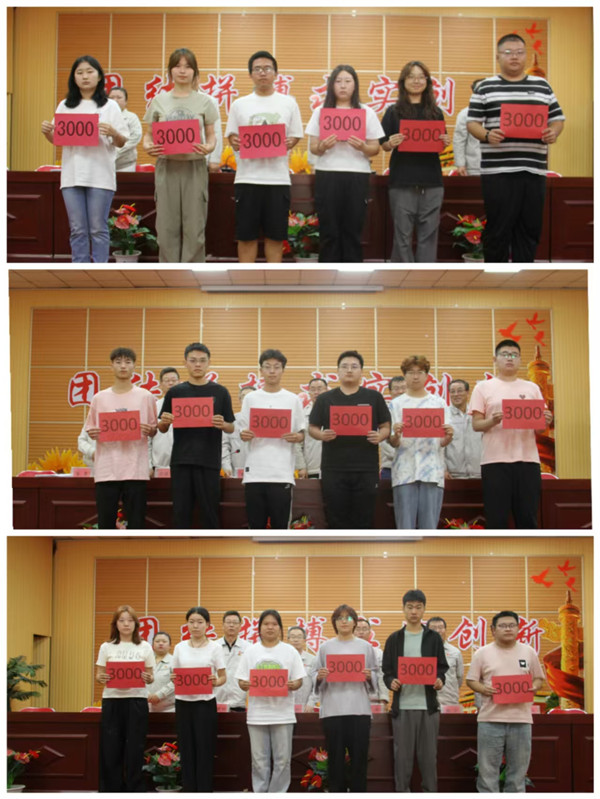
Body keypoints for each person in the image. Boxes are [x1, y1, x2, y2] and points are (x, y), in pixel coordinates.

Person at [467, 34, 565, 262]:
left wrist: (554, 132)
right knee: (498, 229)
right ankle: (496, 275)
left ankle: (524, 272)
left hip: (533, 170)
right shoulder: (485, 87)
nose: (514, 57)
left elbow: (558, 119)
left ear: (525, 56)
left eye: (519, 52)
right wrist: (487, 134)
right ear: (498, 56)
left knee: (530, 229)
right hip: (497, 172)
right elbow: (472, 123)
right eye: (508, 52)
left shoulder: (542, 86)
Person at [41, 56, 128, 263]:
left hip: (101, 176)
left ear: (99, 76)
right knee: (77, 229)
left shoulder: (110, 106)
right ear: (74, 78)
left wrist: (114, 132)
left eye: (90, 71)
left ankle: (99, 270)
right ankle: (79, 269)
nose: (85, 76)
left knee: (98, 229)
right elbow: (57, 140)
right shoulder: (65, 105)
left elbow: (122, 141)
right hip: (72, 176)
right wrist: (47, 133)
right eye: (79, 73)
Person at [225, 51, 303, 263]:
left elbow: (295, 135)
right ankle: (246, 279)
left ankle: (273, 278)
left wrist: (290, 142)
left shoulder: (288, 103)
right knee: (246, 237)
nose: (262, 73)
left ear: (276, 73)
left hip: (277, 180)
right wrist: (234, 141)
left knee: (276, 237)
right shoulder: (240, 104)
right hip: (247, 179)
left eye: (267, 68)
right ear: (250, 74)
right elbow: (231, 136)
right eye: (257, 69)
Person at [143, 48, 218, 262]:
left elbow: (211, 135)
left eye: (188, 66)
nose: (182, 71)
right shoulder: (159, 101)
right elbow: (148, 135)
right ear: (170, 71)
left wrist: (209, 147)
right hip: (167, 166)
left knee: (194, 227)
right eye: (177, 66)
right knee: (166, 226)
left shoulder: (205, 101)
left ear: (195, 72)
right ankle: (169, 272)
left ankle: (193, 273)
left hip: (194, 167)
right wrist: (148, 146)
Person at [470, 339, 552, 528]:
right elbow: (476, 424)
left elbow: (539, 429)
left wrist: (545, 421)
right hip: (495, 462)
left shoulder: (532, 388)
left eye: (514, 355)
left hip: (528, 461)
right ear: (495, 359)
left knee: (528, 518)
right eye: (505, 354)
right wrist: (492, 421)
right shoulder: (483, 387)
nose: (510, 358)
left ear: (520, 360)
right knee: (496, 519)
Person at [305, 64, 383, 262]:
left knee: (353, 228)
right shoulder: (321, 111)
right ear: (331, 85)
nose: (343, 85)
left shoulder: (366, 112)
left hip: (357, 174)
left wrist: (363, 147)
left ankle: (352, 274)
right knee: (328, 229)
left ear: (355, 85)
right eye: (338, 81)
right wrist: (322, 146)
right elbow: (313, 147)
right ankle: (327, 272)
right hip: (327, 174)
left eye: (348, 81)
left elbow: (375, 147)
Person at [309, 350, 391, 529]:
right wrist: (321, 435)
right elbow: (312, 428)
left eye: (354, 366)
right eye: (344, 366)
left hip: (366, 468)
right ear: (337, 371)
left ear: (361, 371)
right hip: (333, 468)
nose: (349, 370)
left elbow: (386, 426)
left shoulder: (374, 397)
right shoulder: (325, 399)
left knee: (364, 517)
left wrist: (380, 436)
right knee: (335, 516)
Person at [466, 610, 545, 792]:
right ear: (493, 630)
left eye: (512, 625)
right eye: (502, 626)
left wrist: (534, 686)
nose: (508, 629)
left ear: (518, 628)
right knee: (487, 773)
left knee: (518, 774)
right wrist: (483, 689)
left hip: (521, 720)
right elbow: (471, 680)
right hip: (490, 720)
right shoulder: (482, 653)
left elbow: (539, 679)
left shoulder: (528, 652)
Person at [380, 61, 451, 262]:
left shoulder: (435, 112)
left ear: (427, 82)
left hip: (432, 180)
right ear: (403, 81)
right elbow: (382, 144)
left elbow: (441, 145)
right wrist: (390, 142)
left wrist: (445, 142)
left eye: (421, 77)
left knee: (429, 235)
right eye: (411, 76)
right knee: (402, 235)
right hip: (402, 180)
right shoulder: (393, 111)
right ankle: (402, 274)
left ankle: (424, 275)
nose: (416, 81)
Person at [158, 343, 234, 528]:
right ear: (185, 363)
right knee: (181, 511)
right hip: (181, 461)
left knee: (210, 511)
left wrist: (222, 424)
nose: (197, 364)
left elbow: (231, 427)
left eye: (202, 360)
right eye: (193, 360)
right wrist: (165, 422)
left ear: (209, 363)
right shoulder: (175, 392)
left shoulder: (220, 392)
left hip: (209, 461)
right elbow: (162, 428)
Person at [382, 589, 448, 793]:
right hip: (402, 707)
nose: (414, 611)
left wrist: (439, 680)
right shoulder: (394, 639)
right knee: (402, 758)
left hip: (428, 707)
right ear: (403, 609)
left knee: (428, 758)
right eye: (410, 607)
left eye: (418, 607)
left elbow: (441, 668)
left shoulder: (433, 638)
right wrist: (391, 682)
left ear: (424, 609)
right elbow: (387, 671)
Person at [85, 347, 157, 529]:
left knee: (137, 524)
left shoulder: (146, 396)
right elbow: (90, 429)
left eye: (128, 362)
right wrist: (93, 433)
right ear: (111, 366)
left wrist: (150, 430)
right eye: (118, 362)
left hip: (136, 469)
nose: (123, 366)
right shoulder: (99, 398)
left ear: (134, 366)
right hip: (107, 469)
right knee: (105, 524)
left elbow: (154, 429)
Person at [236, 609, 305, 792]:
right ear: (259, 628)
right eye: (266, 624)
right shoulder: (251, 651)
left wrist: (294, 684)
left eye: (274, 624)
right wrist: (244, 684)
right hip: (257, 715)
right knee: (259, 760)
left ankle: (277, 793)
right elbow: (241, 681)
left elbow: (299, 680)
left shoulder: (290, 651)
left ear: (280, 628)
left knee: (283, 760)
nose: (270, 627)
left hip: (283, 714)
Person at [312, 605, 378, 792]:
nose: (344, 621)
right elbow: (314, 674)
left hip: (359, 710)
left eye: (348, 618)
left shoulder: (365, 647)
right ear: (334, 622)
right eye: (340, 618)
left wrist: (369, 676)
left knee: (359, 759)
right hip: (333, 710)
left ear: (355, 622)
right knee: (335, 759)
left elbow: (376, 675)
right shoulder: (325, 647)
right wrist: (319, 676)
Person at [237, 349, 306, 529]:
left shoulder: (292, 399)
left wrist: (297, 436)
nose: (272, 371)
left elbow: (302, 433)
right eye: (267, 367)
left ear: (283, 370)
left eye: (277, 367)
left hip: (281, 473)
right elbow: (242, 432)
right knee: (255, 526)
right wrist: (244, 435)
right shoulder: (250, 398)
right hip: (254, 473)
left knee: (280, 527)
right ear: (261, 370)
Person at [389, 355, 454, 529]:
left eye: (420, 372)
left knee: (430, 527)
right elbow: (392, 442)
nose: (415, 376)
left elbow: (442, 441)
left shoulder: (439, 403)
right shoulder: (395, 405)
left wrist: (448, 437)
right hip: (404, 471)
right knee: (405, 527)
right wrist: (396, 434)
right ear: (404, 375)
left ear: (427, 375)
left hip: (432, 470)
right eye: (411, 372)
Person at [95, 604, 155, 792]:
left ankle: (134, 788)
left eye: (130, 620)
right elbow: (99, 675)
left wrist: (148, 678)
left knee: (135, 746)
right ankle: (111, 789)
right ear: (116, 624)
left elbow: (151, 676)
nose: (126, 624)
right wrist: (101, 678)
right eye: (122, 620)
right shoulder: (106, 647)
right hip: (112, 700)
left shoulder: (144, 646)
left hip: (136, 700)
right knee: (111, 746)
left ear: (136, 624)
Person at [172, 607, 226, 792]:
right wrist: (173, 678)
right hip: (183, 704)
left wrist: (215, 681)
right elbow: (174, 674)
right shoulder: (180, 647)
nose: (195, 626)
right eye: (191, 622)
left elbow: (223, 677)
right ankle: (189, 789)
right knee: (186, 748)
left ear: (207, 625)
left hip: (205, 704)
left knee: (205, 748)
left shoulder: (215, 647)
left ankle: (204, 789)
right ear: (187, 624)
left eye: (200, 622)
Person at [444, 379, 483, 479]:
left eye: (460, 391)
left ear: (467, 392)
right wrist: (443, 469)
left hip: (479, 473)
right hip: (453, 475)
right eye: (452, 391)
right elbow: (439, 447)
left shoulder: (478, 415)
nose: (456, 394)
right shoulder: (444, 416)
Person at [214, 610, 251, 711]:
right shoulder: (214, 646)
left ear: (240, 626)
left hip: (239, 702)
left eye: (235, 623)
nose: (231, 625)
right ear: (223, 625)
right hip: (217, 701)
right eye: (228, 622)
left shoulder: (248, 647)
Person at [425, 617, 464, 707]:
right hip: (426, 703)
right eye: (433, 628)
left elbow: (459, 677)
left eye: (440, 627)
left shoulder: (455, 652)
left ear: (445, 630)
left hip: (449, 701)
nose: (437, 631)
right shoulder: (421, 652)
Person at [148, 367, 180, 472]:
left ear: (180, 383)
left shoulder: (186, 407)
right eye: (166, 380)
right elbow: (148, 438)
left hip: (183, 464)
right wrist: (148, 464)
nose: (170, 383)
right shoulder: (154, 407)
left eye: (174, 380)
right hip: (159, 465)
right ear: (161, 385)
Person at [296, 378, 328, 479]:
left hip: (332, 468)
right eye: (313, 389)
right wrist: (301, 466)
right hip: (311, 469)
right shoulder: (302, 414)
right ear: (308, 392)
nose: (316, 392)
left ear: (327, 390)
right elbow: (297, 444)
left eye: (320, 389)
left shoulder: (335, 413)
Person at [222, 386, 256, 478]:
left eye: (250, 396)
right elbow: (224, 446)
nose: (246, 400)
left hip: (259, 472)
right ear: (240, 401)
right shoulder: (231, 421)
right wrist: (226, 466)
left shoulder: (263, 422)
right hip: (236, 472)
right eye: (243, 397)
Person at [452, 80, 484, 176]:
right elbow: (459, 140)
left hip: (497, 166)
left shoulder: (499, 112)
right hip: (473, 166)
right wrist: (460, 164)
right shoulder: (465, 114)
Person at [355, 618, 388, 705]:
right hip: (350, 699)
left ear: (370, 632)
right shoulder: (346, 653)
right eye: (357, 629)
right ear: (352, 632)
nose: (361, 632)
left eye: (364, 629)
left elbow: (382, 677)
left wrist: (383, 699)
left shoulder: (378, 653)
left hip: (372, 699)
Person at [108, 87, 142, 171]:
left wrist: (117, 152)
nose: (115, 100)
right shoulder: (103, 116)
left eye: (119, 97)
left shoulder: (132, 117)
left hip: (125, 165)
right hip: (105, 164)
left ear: (126, 101)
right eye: (111, 98)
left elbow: (135, 137)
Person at [380, 376, 406, 479]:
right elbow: (383, 442)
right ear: (390, 392)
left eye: (404, 388)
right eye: (396, 388)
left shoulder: (416, 412)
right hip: (390, 467)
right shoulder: (383, 412)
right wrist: (403, 457)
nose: (400, 391)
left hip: (413, 468)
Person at [287, 626, 317, 709]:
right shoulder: (281, 659)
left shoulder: (312, 660)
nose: (296, 640)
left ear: (304, 640)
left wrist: (311, 703)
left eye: (299, 637)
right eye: (293, 637)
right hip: (285, 706)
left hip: (305, 706)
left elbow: (317, 685)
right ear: (288, 640)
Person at [147, 631, 175, 713]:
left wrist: (159, 695)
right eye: (157, 641)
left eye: (164, 641)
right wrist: (147, 694)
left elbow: (175, 682)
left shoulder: (174, 661)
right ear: (152, 645)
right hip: (146, 705)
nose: (160, 643)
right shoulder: (146, 660)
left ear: (170, 646)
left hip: (169, 708)